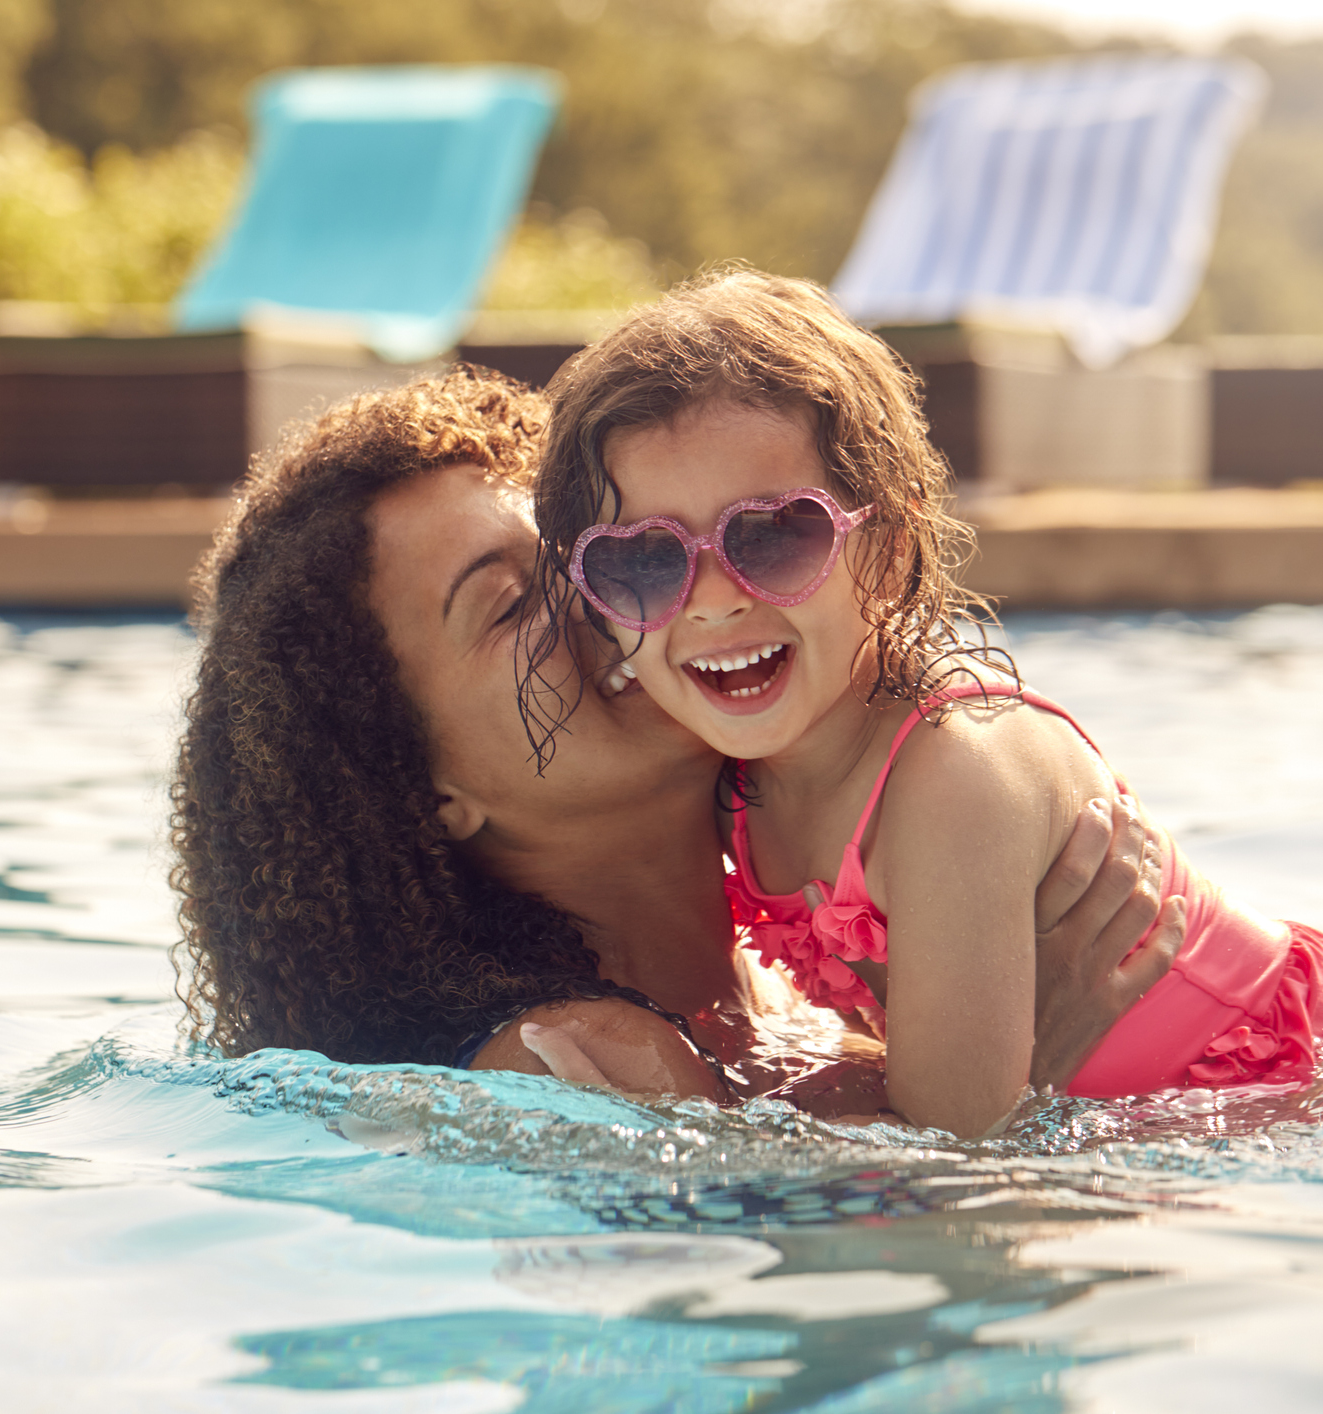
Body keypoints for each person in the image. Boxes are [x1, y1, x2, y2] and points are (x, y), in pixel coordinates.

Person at [172, 366, 1178, 1112]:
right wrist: (1049, 1064)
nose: (625, 597)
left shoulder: (797, 959)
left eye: (607, 548)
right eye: (513, 602)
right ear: (425, 792)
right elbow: (937, 1252)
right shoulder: (578, 1063)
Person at [534, 268, 1317, 1136]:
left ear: (892, 541)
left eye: (774, 535)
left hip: (1278, 1083)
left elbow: (948, 1158)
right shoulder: (732, 778)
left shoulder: (958, 773)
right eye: (644, 561)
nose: (713, 599)